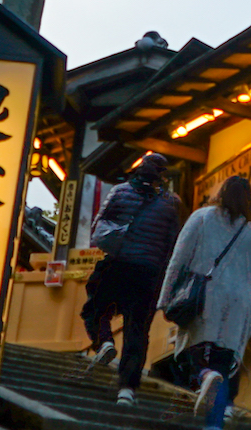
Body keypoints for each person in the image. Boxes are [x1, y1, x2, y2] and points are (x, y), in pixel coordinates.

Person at [158, 175, 251, 430]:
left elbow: (178, 259)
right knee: (223, 371)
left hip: (205, 297)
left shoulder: (201, 218)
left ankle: (204, 373)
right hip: (239, 307)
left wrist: (165, 298)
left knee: (194, 355)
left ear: (221, 193)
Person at [78, 152, 182, 404]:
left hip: (117, 265)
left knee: (95, 310)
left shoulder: (120, 192)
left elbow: (98, 226)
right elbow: (173, 242)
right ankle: (127, 388)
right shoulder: (171, 203)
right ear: (162, 175)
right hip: (149, 273)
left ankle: (103, 342)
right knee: (137, 330)